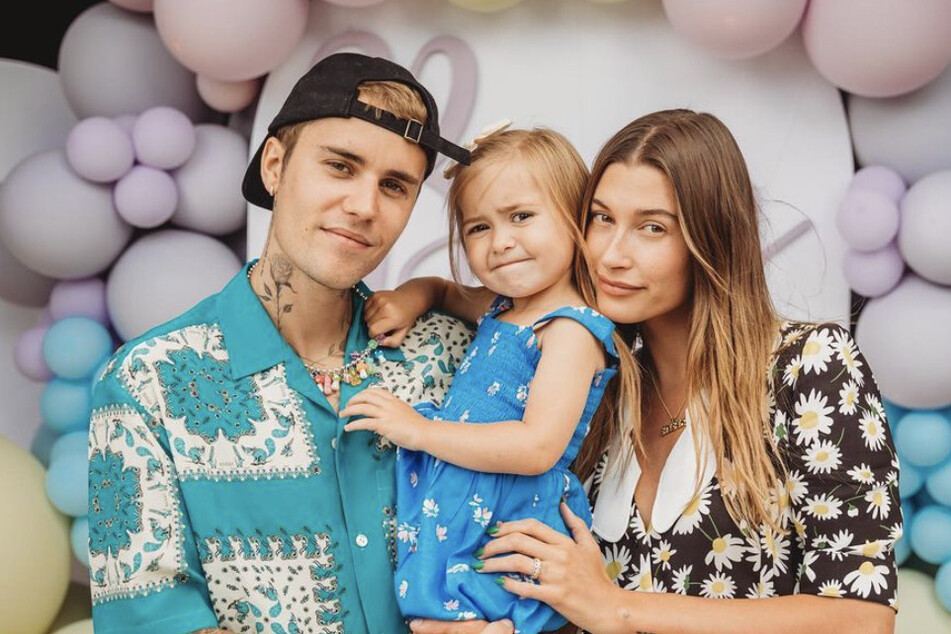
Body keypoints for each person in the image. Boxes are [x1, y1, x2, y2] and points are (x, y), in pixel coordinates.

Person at [464, 109, 900, 634]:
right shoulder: (590, 385)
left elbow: (861, 619)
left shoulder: (809, 366)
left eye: (652, 228)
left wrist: (617, 607)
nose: (611, 255)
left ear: (712, 238)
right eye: (602, 218)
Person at [86, 52, 478, 634]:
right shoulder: (147, 383)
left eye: (394, 186)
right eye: (341, 166)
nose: (364, 206)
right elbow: (152, 619)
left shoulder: (451, 355)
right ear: (275, 165)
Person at [338, 124, 626, 634]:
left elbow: (538, 446)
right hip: (463, 492)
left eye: (521, 217)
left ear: (573, 219)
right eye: (478, 228)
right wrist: (413, 296)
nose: (502, 242)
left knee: (481, 604)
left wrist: (419, 432)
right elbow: (448, 292)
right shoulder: (502, 307)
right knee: (432, 611)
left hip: (509, 508)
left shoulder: (569, 329)